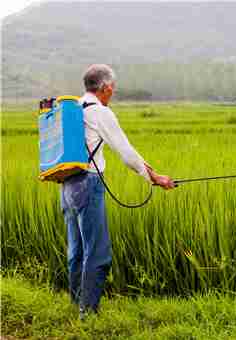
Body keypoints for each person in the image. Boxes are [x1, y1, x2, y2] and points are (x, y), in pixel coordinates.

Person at [60, 64, 175, 319]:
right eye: (112, 88)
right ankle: (88, 314)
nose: (113, 92)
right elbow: (126, 153)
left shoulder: (74, 108)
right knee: (98, 252)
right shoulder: (100, 113)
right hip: (88, 184)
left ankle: (76, 303)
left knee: (76, 249)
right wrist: (154, 177)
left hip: (67, 185)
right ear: (106, 87)